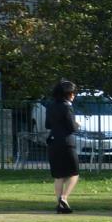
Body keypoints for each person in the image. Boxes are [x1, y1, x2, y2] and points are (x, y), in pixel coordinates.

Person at [47, 79, 81, 214]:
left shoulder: (51, 106)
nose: (74, 95)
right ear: (67, 94)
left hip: (53, 141)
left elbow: (48, 125)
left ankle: (60, 204)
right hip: (66, 142)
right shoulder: (67, 106)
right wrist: (77, 124)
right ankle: (64, 198)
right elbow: (71, 127)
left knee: (59, 175)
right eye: (72, 93)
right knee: (74, 173)